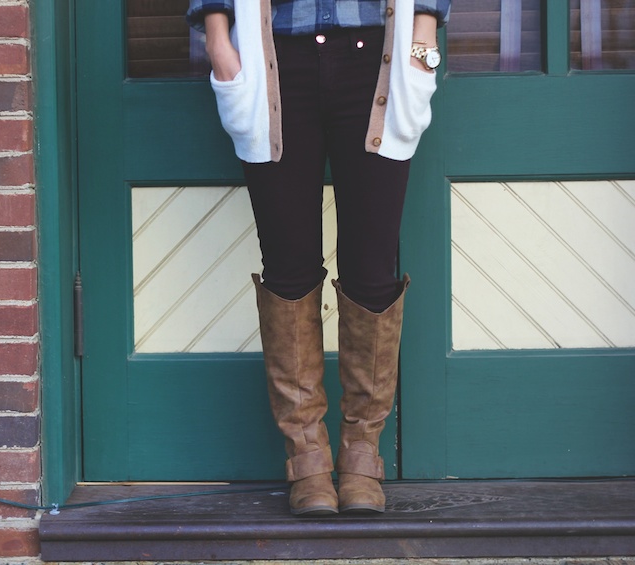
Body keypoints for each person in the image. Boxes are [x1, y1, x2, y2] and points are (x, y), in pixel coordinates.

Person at [186, 0, 450, 516]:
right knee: (288, 271)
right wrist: (220, 44)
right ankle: (306, 461)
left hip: (378, 59)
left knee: (373, 272)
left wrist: (424, 43)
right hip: (273, 62)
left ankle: (360, 459)